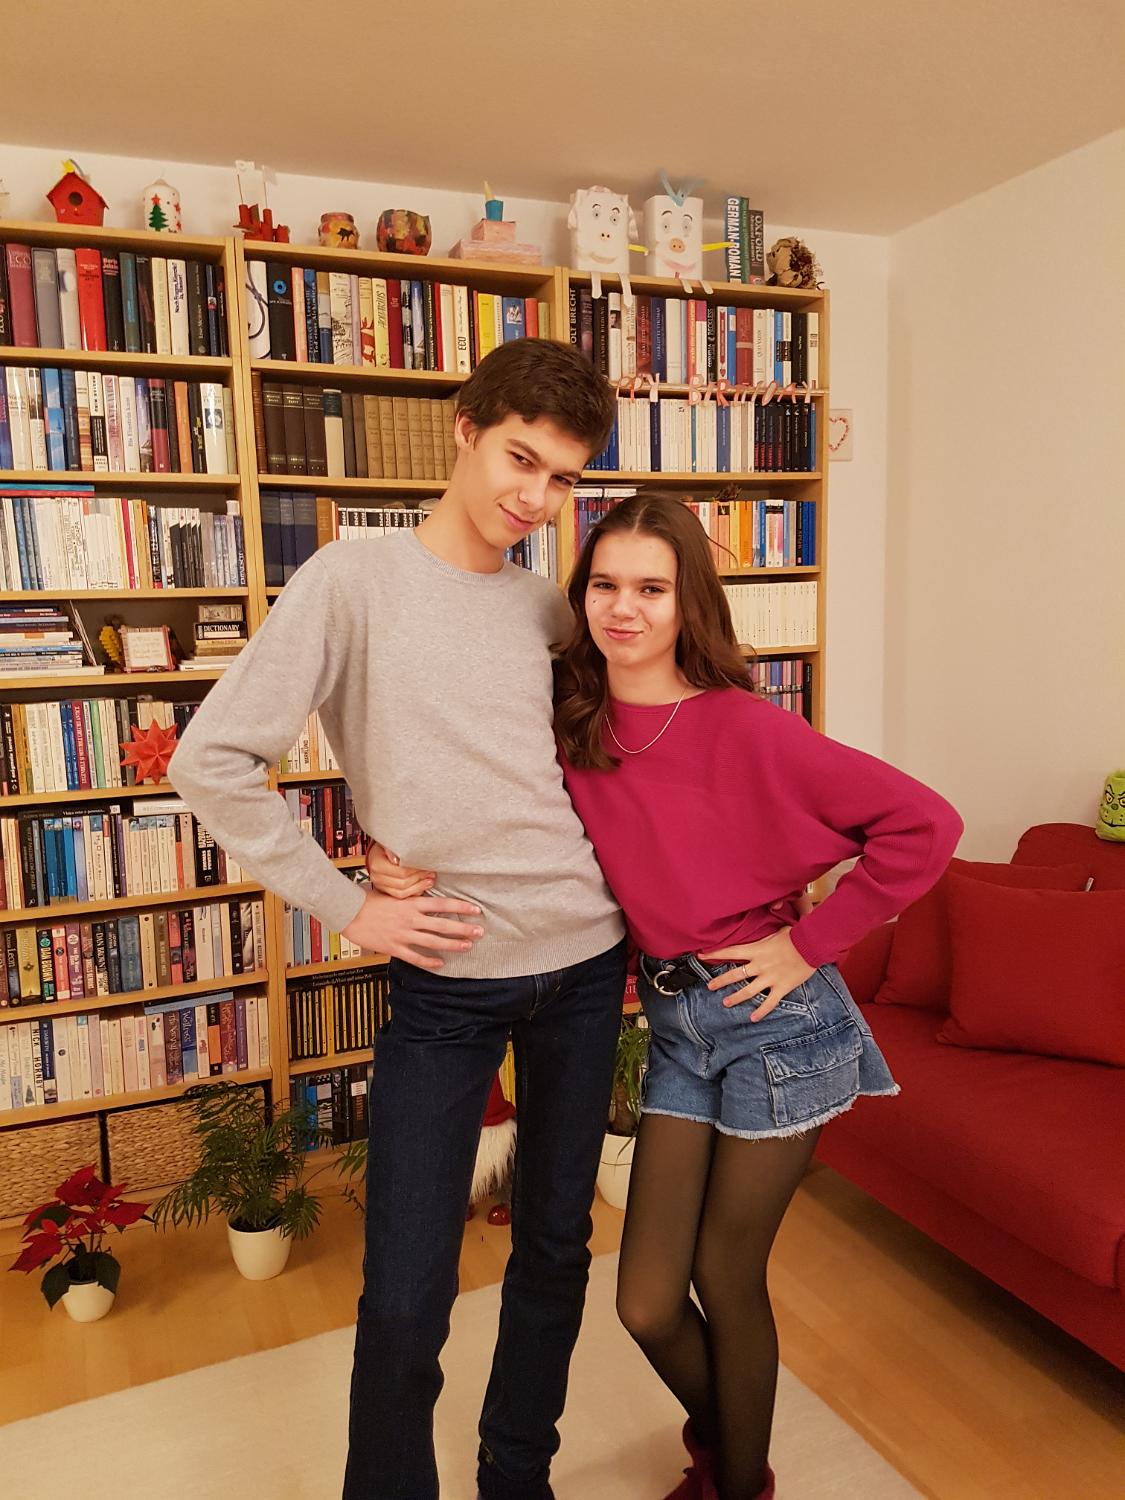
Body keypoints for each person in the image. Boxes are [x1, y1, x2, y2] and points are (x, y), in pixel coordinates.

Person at [371, 490, 963, 1500]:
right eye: (604, 585)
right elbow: (485, 795)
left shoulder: (744, 726)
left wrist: (807, 944)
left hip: (779, 1025)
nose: (624, 608)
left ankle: (737, 1482)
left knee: (725, 1278)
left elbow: (926, 825)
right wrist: (389, 854)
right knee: (645, 1301)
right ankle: (732, 1445)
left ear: (689, 603)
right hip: (679, 1024)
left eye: (652, 588)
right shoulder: (573, 720)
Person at [167, 338, 629, 1500]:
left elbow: (595, 768)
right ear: (465, 428)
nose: (537, 497)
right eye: (521, 458)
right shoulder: (350, 582)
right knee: (408, 1288)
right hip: (447, 978)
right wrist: (350, 905)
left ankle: (517, 1476)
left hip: (587, 963)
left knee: (556, 1246)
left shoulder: (549, 607)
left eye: (564, 478)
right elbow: (211, 761)